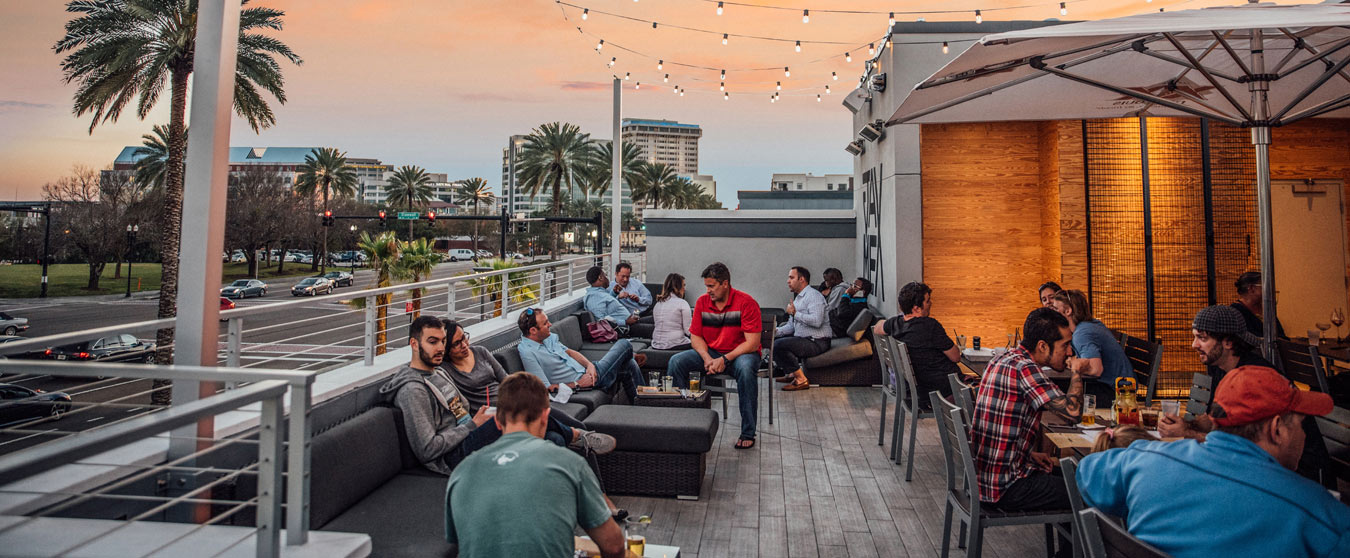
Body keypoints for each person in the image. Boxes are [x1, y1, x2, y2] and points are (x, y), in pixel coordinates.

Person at [1076, 365, 1348, 558]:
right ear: (1276, 428)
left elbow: (1086, 473)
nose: (1303, 434)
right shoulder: (1319, 514)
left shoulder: (1145, 459)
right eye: (1301, 424)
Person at [380, 316, 613, 475]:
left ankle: (591, 498)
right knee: (526, 415)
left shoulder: (437, 372)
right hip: (453, 456)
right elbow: (427, 449)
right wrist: (473, 425)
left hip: (473, 432)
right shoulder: (413, 389)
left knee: (554, 438)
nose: (439, 348)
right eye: (432, 342)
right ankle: (578, 435)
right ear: (413, 344)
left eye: (442, 341)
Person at [445, 372, 628, 558]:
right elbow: (613, 546)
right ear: (545, 417)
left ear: (497, 421)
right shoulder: (569, 463)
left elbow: (464, 541)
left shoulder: (462, 472)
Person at [971, 307, 1084, 515]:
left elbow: (1001, 428)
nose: (1070, 352)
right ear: (1042, 346)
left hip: (986, 479)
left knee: (1076, 476)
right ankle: (1076, 549)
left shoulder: (1001, 359)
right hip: (1007, 486)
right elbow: (1072, 412)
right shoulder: (1025, 368)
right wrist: (1077, 371)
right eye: (1065, 345)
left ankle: (1068, 549)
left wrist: (1028, 454)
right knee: (1087, 491)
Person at [438, 317, 610, 451]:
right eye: (457, 343)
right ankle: (576, 436)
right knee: (564, 432)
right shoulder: (446, 371)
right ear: (445, 350)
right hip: (496, 416)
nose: (465, 344)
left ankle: (592, 477)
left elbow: (506, 380)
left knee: (564, 433)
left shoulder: (480, 352)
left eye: (465, 338)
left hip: (515, 402)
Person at [668, 262, 763, 449]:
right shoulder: (702, 302)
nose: (708, 290)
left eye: (711, 286)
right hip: (712, 353)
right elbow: (695, 337)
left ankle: (748, 432)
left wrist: (725, 359)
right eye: (707, 286)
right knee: (676, 362)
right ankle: (679, 422)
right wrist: (707, 358)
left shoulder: (746, 303)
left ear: (725, 283)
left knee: (745, 369)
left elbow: (752, 343)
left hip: (741, 353)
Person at [1158, 305, 1275, 441]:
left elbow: (1242, 444)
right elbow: (1213, 420)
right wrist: (1186, 424)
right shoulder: (1219, 367)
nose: (1194, 345)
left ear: (1228, 342)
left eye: (1202, 338)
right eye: (1195, 337)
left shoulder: (1252, 378)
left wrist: (1187, 432)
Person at [517, 308, 643, 402]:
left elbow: (570, 352)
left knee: (629, 366)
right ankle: (628, 356)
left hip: (591, 370)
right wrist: (577, 384)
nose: (550, 325)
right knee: (624, 344)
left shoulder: (547, 338)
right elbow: (545, 389)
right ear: (533, 330)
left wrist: (589, 365)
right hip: (586, 381)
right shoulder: (527, 352)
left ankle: (643, 404)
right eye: (545, 324)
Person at [872, 282, 962, 400]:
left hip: (917, 388)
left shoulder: (896, 323)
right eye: (927, 301)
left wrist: (896, 320)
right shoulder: (930, 326)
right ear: (916, 308)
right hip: (942, 390)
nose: (931, 303)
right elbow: (956, 357)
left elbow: (877, 328)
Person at [1049, 289, 1134, 402]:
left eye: (1055, 309)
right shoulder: (1091, 325)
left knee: (1055, 390)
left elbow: (1096, 370)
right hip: (1121, 386)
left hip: (1117, 393)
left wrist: (1074, 365)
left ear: (1068, 311)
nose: (1052, 313)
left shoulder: (1082, 334)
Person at [774, 266, 832, 392]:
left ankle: (801, 379)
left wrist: (795, 314)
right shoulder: (799, 298)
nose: (788, 281)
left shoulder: (813, 296)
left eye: (791, 277)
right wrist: (776, 331)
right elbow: (792, 326)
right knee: (776, 341)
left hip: (817, 341)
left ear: (802, 279)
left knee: (779, 346)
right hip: (805, 338)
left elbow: (817, 321)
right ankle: (791, 374)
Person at [582, 266, 641, 335]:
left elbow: (607, 307)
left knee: (653, 320)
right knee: (653, 328)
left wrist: (614, 293)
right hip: (622, 329)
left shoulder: (599, 293)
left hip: (630, 322)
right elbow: (601, 321)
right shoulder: (593, 297)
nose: (607, 279)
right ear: (600, 278)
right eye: (605, 276)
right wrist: (625, 321)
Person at [1232, 271, 1287, 341]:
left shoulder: (1266, 310)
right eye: (1265, 286)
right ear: (1252, 288)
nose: (1269, 290)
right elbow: (1248, 339)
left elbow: (1282, 335)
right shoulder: (1235, 311)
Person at [651, 273, 692, 351]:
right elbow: (689, 330)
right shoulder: (682, 303)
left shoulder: (658, 304)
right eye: (683, 285)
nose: (684, 288)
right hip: (675, 344)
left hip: (656, 344)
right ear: (678, 287)